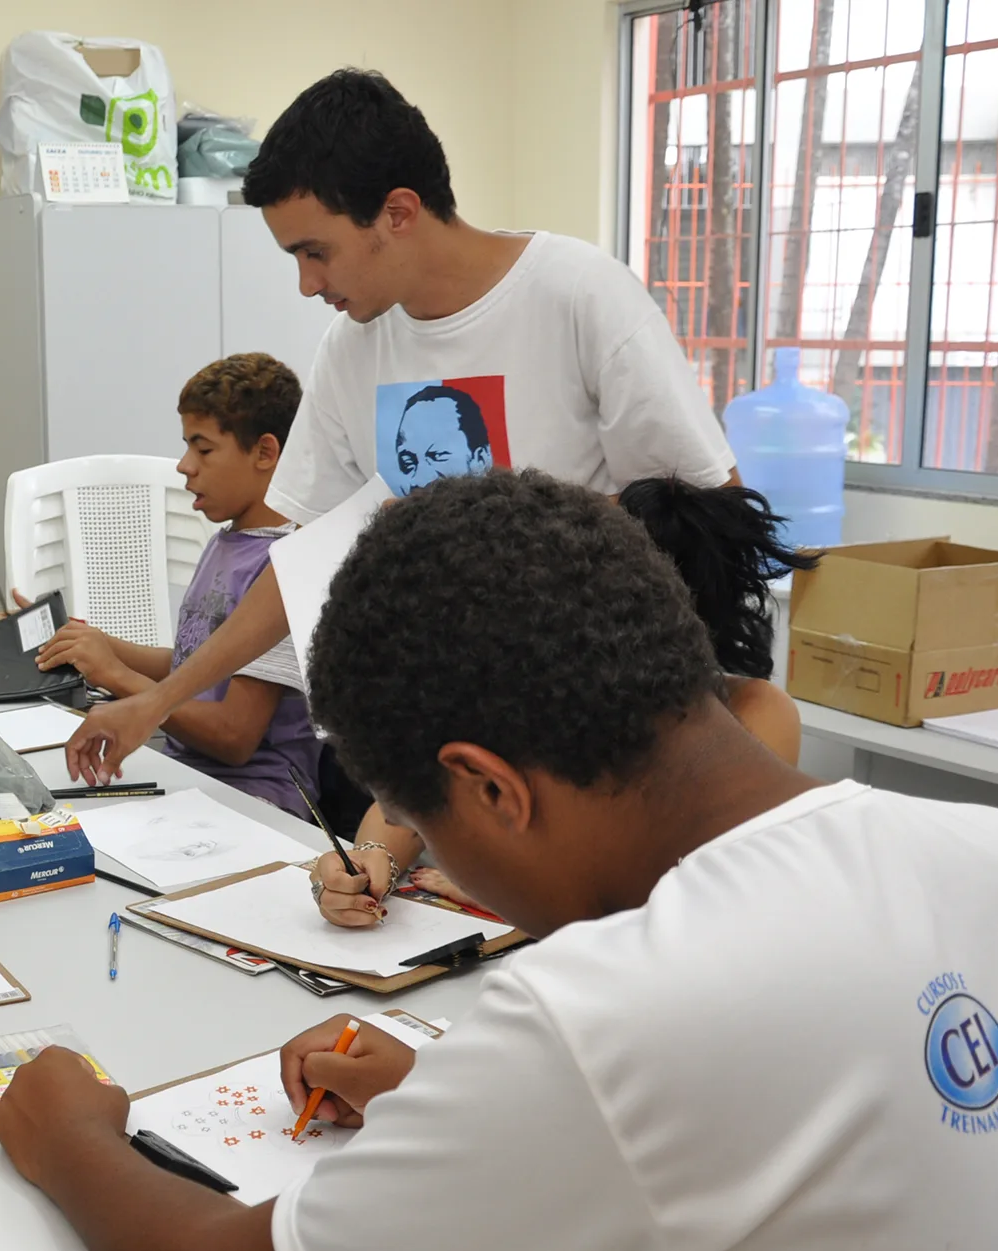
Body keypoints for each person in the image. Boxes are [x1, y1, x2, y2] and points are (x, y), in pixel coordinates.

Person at [0, 471, 998, 1251]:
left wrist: (69, 1137)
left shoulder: (598, 1017)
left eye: (421, 824)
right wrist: (465, 1098)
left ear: (488, 789)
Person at [62, 68, 737, 787]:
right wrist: (157, 701)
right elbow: (294, 565)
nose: (307, 284)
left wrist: (480, 531)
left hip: (584, 735)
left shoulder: (577, 295)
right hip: (437, 744)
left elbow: (707, 516)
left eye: (315, 251)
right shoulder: (352, 349)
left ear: (400, 213)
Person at [314, 474, 818, 926]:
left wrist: (494, 891)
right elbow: (416, 790)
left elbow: (676, 897)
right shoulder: (563, 696)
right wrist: (372, 854)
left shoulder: (742, 715)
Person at [25, 353, 321, 817]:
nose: (184, 465)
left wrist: (118, 678)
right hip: (190, 774)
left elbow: (234, 737)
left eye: (203, 449)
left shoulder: (284, 570)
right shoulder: (228, 542)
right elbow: (194, 667)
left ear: (265, 453)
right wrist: (103, 646)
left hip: (258, 799)